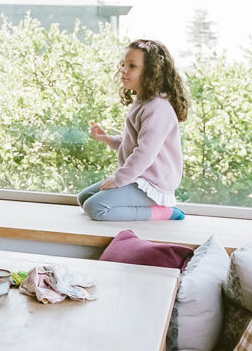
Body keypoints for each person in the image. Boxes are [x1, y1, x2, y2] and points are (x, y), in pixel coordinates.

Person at [78, 38, 190, 221]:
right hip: (139, 176)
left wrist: (118, 179)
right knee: (84, 198)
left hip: (152, 183)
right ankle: (143, 203)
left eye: (132, 66)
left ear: (151, 73)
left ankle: (164, 212)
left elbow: (144, 153)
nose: (123, 70)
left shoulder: (158, 108)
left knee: (95, 207)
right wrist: (107, 139)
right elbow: (134, 143)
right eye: (123, 64)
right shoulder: (144, 101)